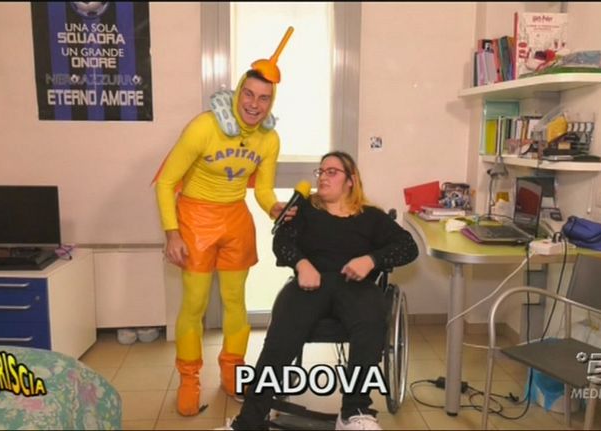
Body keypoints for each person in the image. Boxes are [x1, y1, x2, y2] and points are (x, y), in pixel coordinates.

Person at [222, 151, 419, 430]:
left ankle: (354, 412)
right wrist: (301, 263)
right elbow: (282, 243)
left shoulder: (371, 217)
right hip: (310, 284)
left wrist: (370, 260)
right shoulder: (304, 211)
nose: (323, 177)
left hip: (356, 286)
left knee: (371, 320)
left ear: (351, 181)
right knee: (281, 335)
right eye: (321, 172)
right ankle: (249, 422)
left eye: (332, 172)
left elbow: (408, 247)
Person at [153, 48, 296, 414]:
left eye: (263, 98)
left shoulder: (269, 139)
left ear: (271, 102)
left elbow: (263, 190)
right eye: (249, 94)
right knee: (195, 304)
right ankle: (189, 379)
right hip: (196, 218)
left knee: (236, 302)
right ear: (238, 92)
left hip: (235, 218)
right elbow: (165, 182)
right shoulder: (204, 127)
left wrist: (274, 207)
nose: (254, 104)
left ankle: (233, 371)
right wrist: (172, 233)